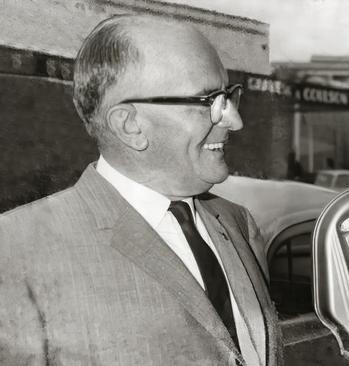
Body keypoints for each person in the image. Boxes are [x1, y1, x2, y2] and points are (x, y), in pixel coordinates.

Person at [0, 15, 282, 366]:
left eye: (227, 95)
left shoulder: (239, 224)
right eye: (207, 100)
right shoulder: (14, 250)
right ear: (131, 125)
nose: (234, 120)